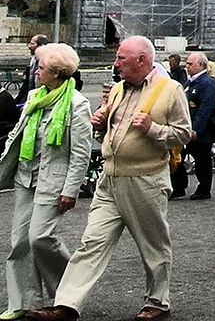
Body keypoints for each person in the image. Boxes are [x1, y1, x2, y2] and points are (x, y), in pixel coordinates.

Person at [32, 36, 191, 321]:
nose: (115, 63)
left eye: (121, 58)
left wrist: (153, 128)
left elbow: (183, 133)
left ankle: (157, 301)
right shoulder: (118, 89)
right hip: (109, 180)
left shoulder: (171, 90)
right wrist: (101, 125)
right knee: (91, 243)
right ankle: (66, 305)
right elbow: (114, 132)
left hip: (145, 180)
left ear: (141, 60)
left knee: (153, 245)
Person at [0, 42, 92, 321]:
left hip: (54, 181)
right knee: (19, 242)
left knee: (40, 237)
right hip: (25, 177)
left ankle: (69, 293)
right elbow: (17, 135)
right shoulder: (33, 97)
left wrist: (71, 189)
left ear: (56, 73)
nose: (36, 71)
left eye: (41, 68)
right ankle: (22, 302)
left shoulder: (78, 104)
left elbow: (80, 153)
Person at [170, 53, 215, 202]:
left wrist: (196, 129)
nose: (187, 66)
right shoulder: (190, 82)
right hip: (185, 127)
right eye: (187, 63)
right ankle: (179, 187)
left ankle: (204, 189)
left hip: (201, 130)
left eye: (191, 64)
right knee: (177, 158)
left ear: (201, 66)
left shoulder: (207, 83)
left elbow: (205, 108)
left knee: (202, 160)